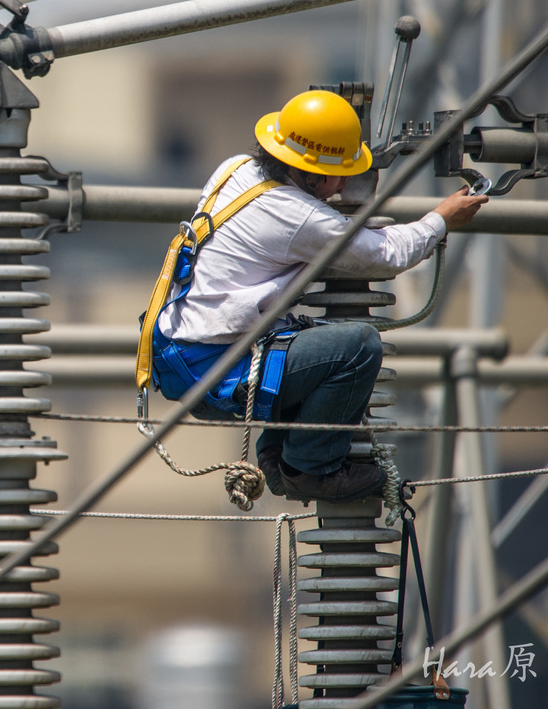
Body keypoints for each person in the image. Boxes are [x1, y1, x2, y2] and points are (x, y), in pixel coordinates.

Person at [137, 90, 487, 503]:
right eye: (339, 172)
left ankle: (278, 451)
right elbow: (387, 254)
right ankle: (312, 468)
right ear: (312, 173)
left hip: (181, 351)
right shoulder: (300, 218)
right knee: (355, 347)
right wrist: (441, 220)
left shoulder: (235, 169)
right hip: (215, 367)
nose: (342, 184)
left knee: (312, 343)